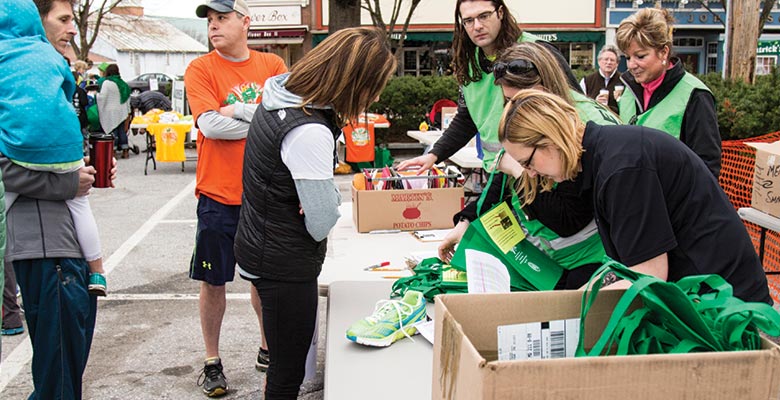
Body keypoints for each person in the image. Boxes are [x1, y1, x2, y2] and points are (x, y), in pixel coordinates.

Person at [233, 26, 396, 399]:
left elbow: (307, 199)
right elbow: (322, 219)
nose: (374, 96)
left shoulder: (281, 95)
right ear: (355, 81)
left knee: (281, 364)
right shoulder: (309, 129)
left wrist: (313, 197)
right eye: (375, 86)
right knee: (287, 375)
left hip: (263, 244)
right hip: (284, 263)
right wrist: (322, 199)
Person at [499, 88, 771, 304]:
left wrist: (573, 305)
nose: (530, 174)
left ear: (551, 140)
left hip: (729, 306)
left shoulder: (621, 169)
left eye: (528, 162)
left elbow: (649, 274)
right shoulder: (607, 155)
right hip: (709, 293)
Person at [0, 0, 116, 396]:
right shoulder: (15, 73)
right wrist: (69, 184)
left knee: (64, 372)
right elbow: (5, 167)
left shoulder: (43, 76)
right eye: (63, 20)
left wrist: (87, 171)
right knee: (59, 380)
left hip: (62, 249)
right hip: (46, 250)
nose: (71, 29)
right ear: (37, 20)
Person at [439, 42, 619, 289]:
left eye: (519, 99)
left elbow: (568, 218)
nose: (513, 110)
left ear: (545, 87)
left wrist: (519, 171)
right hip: (553, 261)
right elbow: (502, 179)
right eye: (508, 100)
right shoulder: (538, 116)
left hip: (590, 265)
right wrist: (466, 222)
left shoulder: (580, 126)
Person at [185, 0, 287, 396]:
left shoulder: (274, 66)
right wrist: (257, 114)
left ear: (246, 22)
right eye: (210, 21)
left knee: (263, 279)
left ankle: (267, 347)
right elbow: (209, 125)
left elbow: (285, 120)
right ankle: (212, 361)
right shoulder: (201, 68)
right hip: (217, 193)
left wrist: (235, 110)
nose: (214, 27)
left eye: (222, 18)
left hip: (263, 192)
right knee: (214, 281)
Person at [398, 0, 580, 173]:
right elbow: (467, 118)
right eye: (468, 21)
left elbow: (576, 108)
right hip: (498, 170)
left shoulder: (538, 52)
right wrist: (434, 155)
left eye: (484, 16)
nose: (477, 26)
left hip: (541, 170)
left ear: (500, 12)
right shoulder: (469, 63)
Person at [615, 7, 721, 178]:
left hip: (673, 201)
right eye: (627, 57)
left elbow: (707, 169)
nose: (631, 65)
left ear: (663, 52)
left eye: (640, 56)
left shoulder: (696, 96)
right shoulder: (628, 91)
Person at [97, 63, 132, 159]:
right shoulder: (123, 83)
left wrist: (96, 95)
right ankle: (125, 151)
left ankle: (113, 152)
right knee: (122, 131)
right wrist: (128, 111)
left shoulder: (107, 83)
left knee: (113, 131)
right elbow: (127, 98)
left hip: (110, 111)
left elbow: (102, 97)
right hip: (122, 111)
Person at [579, 44, 621, 113]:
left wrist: (619, 100)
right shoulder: (587, 81)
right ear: (599, 61)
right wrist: (594, 103)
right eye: (606, 59)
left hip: (617, 122)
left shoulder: (624, 81)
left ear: (617, 64)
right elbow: (580, 105)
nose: (609, 62)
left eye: (612, 60)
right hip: (595, 120)